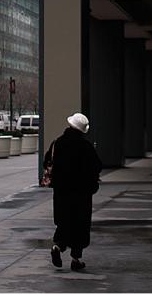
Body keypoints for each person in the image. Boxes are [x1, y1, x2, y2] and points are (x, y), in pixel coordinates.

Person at [45, 113, 102, 270]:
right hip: (81, 193)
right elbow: (97, 166)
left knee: (64, 220)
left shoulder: (57, 143)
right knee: (80, 224)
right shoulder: (86, 147)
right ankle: (76, 259)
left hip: (61, 191)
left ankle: (58, 246)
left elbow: (47, 161)